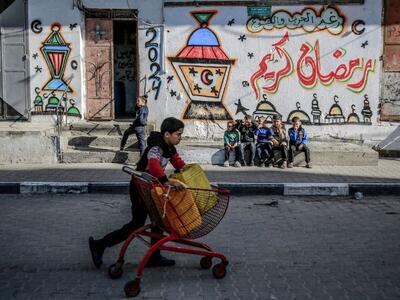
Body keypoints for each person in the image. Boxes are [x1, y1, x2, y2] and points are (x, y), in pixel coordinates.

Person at [89, 117, 186, 268]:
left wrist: (189, 173)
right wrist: (166, 181)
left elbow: (178, 162)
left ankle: (154, 256)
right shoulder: (156, 147)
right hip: (140, 188)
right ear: (167, 134)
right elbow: (153, 164)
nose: (180, 137)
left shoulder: (169, 147)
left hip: (151, 187)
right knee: (136, 225)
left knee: (158, 221)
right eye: (178, 134)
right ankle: (99, 245)